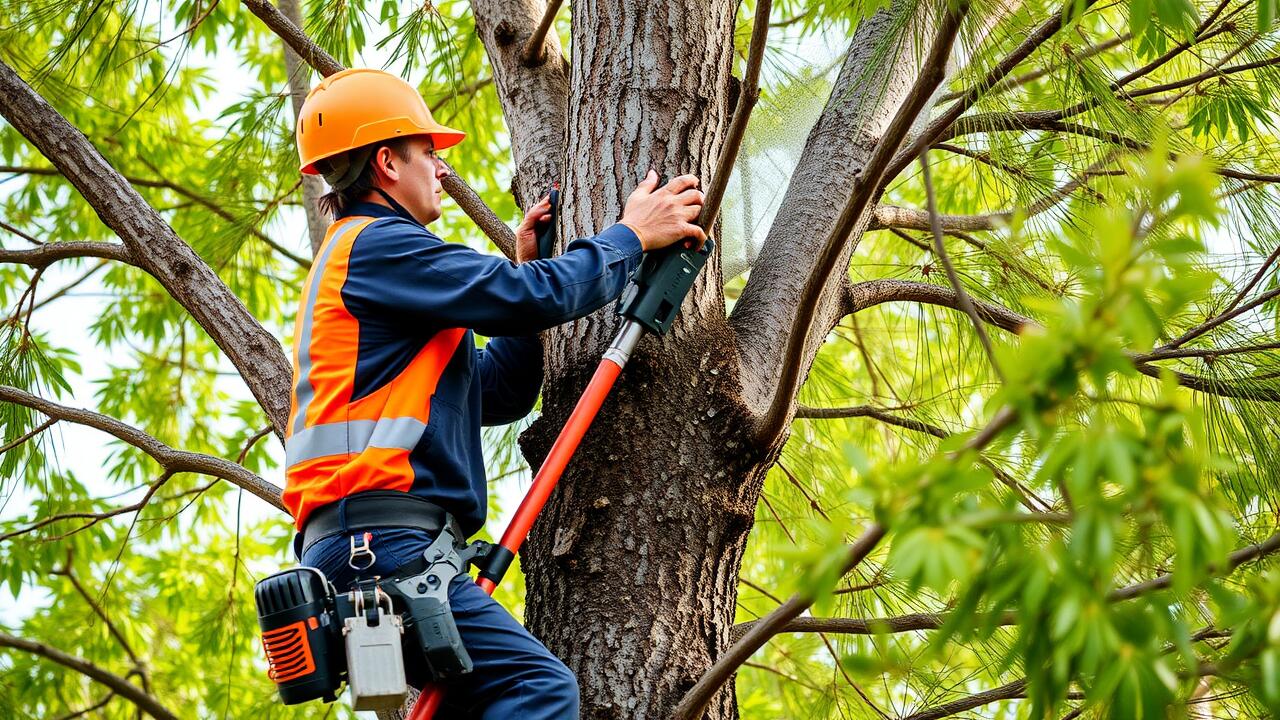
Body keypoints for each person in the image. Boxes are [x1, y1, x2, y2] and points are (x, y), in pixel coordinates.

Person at [284, 67, 706, 719]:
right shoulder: (378, 246)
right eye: (428, 152)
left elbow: (499, 391)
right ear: (387, 162)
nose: (441, 169)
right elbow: (531, 297)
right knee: (538, 689)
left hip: (367, 547)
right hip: (380, 546)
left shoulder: (372, 271)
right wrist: (632, 236)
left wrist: (526, 269)